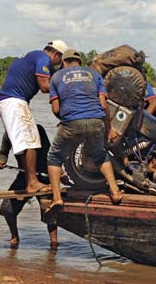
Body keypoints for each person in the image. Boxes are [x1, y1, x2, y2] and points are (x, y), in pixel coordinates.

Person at [45, 49, 123, 214]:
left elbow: (56, 108)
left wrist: (67, 118)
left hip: (72, 122)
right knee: (100, 154)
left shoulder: (57, 77)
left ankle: (57, 198)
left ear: (63, 63)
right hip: (96, 120)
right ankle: (115, 192)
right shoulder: (94, 74)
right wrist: (109, 129)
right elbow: (103, 106)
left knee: (54, 157)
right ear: (79, 61)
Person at [0, 40, 67, 194]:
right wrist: (67, 90)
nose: (57, 64)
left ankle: (30, 181)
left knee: (28, 139)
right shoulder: (43, 59)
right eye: (59, 60)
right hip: (14, 101)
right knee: (30, 140)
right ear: (56, 54)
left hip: (12, 101)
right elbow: (44, 86)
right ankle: (32, 183)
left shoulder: (35, 56)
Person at [0, 127, 59, 248]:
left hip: (44, 176)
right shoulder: (9, 133)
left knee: (49, 212)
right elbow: (3, 152)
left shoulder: (38, 129)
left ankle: (54, 242)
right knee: (7, 209)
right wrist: (0, 161)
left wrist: (57, 173)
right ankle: (14, 237)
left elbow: (50, 152)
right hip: (23, 177)